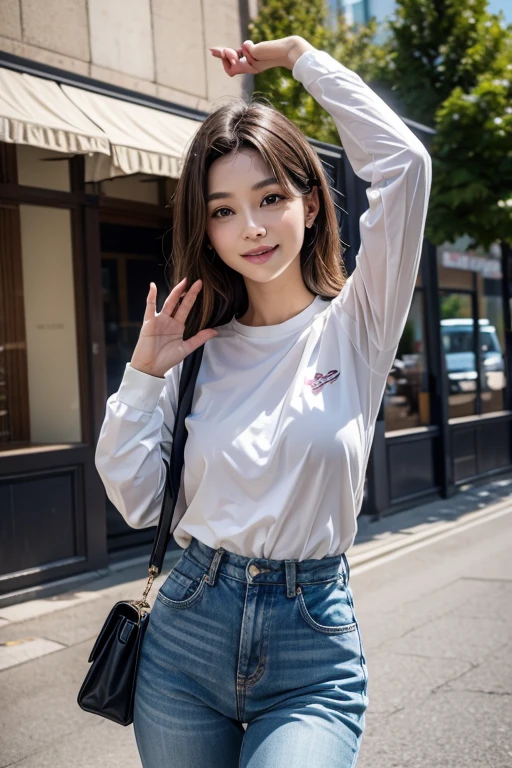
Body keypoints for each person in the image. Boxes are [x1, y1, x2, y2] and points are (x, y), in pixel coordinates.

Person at [94, 36, 432, 767]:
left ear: (310, 205)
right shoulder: (196, 352)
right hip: (186, 634)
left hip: (311, 647)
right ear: (207, 231)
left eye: (271, 197)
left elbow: (406, 166)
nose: (250, 226)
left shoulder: (358, 328)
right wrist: (144, 375)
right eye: (223, 210)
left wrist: (299, 58)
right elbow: (138, 502)